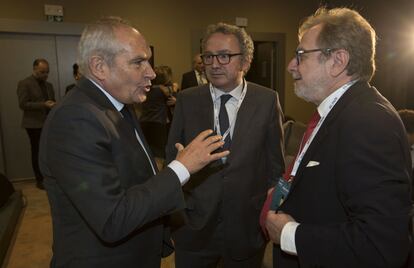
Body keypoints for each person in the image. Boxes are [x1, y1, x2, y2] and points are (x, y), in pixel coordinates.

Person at [38, 17, 228, 268]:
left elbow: (135, 177)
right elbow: (112, 218)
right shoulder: (75, 118)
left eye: (148, 60)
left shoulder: (119, 105)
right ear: (99, 66)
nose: (151, 72)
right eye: (138, 62)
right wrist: (181, 168)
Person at [262, 7, 412, 268]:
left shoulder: (368, 122)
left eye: (301, 55)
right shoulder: (339, 112)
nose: (290, 65)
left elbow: (381, 246)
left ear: (338, 61)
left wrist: (289, 234)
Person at [166, 22, 285, 267]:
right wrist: (181, 215)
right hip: (194, 227)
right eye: (208, 56)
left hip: (246, 226)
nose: (214, 64)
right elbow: (171, 160)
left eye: (224, 56)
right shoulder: (187, 100)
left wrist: (266, 214)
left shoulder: (266, 100)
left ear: (246, 61)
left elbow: (275, 167)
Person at [17, 58, 56, 190]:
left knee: (48, 152)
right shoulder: (24, 83)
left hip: (48, 123)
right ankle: (40, 180)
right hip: (33, 125)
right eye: (42, 72)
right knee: (37, 152)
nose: (45, 75)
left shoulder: (49, 85)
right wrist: (43, 105)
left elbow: (52, 101)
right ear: (34, 69)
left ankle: (50, 177)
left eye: (47, 72)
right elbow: (22, 104)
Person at [140, 65, 176, 166]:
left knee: (148, 154)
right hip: (157, 125)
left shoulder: (146, 89)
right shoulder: (162, 91)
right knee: (159, 155)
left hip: (144, 123)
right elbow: (172, 92)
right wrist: (174, 87)